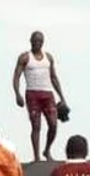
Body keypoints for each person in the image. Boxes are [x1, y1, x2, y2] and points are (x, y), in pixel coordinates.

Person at [12, 31, 68, 163]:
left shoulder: (48, 58)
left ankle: (47, 149)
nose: (37, 43)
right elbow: (16, 76)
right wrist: (17, 94)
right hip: (32, 94)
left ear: (43, 42)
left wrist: (62, 97)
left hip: (48, 94)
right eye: (35, 40)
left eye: (40, 41)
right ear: (31, 41)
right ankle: (36, 156)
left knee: (53, 124)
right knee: (36, 126)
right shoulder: (25, 57)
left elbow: (54, 77)